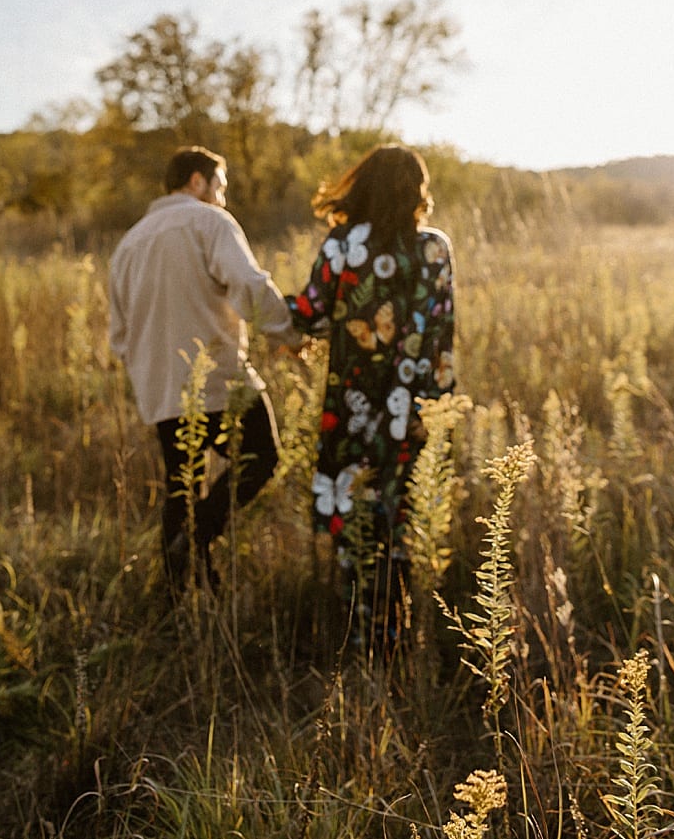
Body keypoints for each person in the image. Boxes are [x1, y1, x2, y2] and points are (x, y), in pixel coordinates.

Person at [109, 146, 299, 591]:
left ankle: (180, 599)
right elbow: (250, 285)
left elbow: (118, 336)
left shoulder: (128, 244)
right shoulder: (209, 221)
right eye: (222, 187)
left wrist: (149, 371)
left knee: (182, 486)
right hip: (219, 379)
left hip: (161, 390)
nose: (223, 198)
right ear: (198, 181)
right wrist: (288, 335)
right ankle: (196, 542)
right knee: (261, 457)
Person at [289, 144, 456, 641]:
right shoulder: (434, 248)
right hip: (415, 407)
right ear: (415, 193)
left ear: (363, 187)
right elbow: (443, 333)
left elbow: (310, 314)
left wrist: (254, 303)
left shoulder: (343, 245)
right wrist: (442, 405)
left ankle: (360, 632)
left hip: (353, 405)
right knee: (404, 509)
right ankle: (397, 631)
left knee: (357, 510)